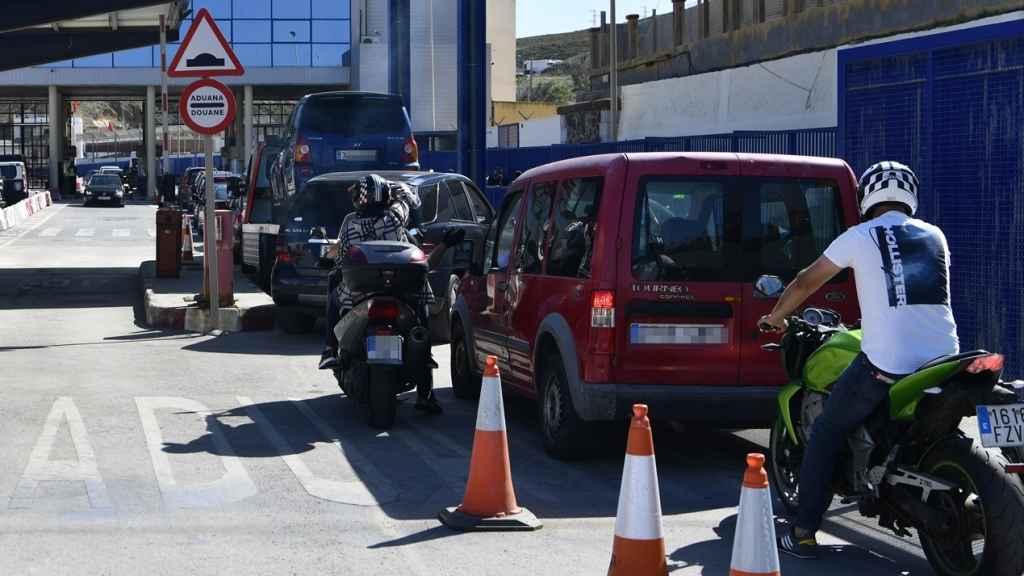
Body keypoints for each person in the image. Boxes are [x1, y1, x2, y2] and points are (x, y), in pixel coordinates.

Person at [759, 161, 959, 560]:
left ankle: (802, 532)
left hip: (886, 364)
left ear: (867, 197)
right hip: (945, 360)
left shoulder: (858, 236)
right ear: (910, 197)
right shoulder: (935, 235)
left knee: (827, 432)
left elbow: (805, 282)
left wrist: (775, 317)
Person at [318, 174, 464, 414]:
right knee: (420, 326)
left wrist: (327, 260)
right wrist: (393, 191)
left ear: (360, 200)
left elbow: (341, 253)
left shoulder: (350, 222)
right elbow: (409, 198)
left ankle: (329, 349)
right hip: (399, 289)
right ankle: (425, 393)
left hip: (358, 293)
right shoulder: (395, 219)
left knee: (334, 287)